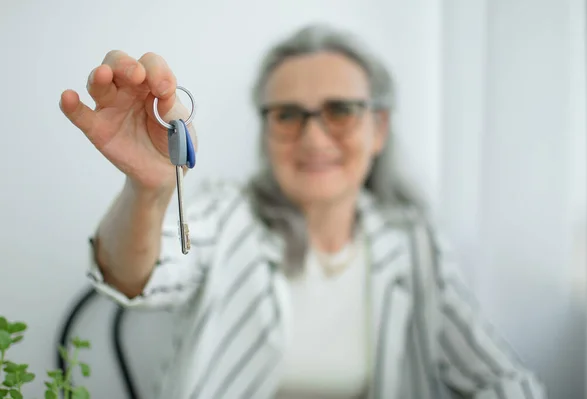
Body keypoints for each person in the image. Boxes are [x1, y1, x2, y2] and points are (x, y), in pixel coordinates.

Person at [59, 24, 547, 399]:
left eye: (340, 111)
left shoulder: (414, 241)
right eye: (288, 115)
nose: (314, 138)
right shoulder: (228, 217)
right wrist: (149, 190)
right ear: (266, 131)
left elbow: (503, 378)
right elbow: (131, 276)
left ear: (378, 129)